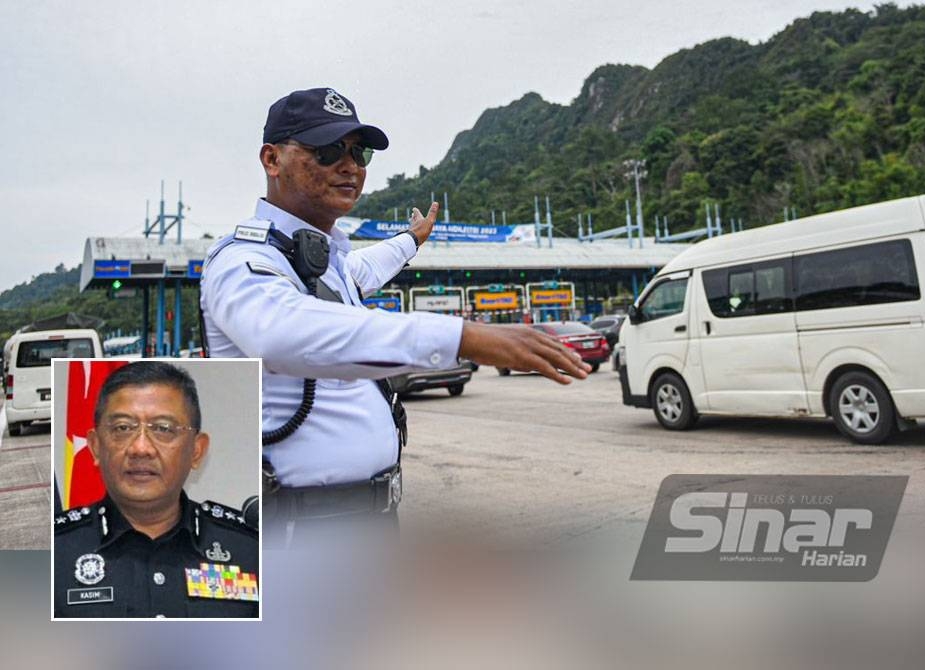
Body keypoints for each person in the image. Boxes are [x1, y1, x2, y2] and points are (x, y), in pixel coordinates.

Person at [199, 86, 588, 546]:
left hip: (363, 522)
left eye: (359, 153)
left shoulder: (326, 263)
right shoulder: (242, 260)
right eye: (326, 151)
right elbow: (281, 334)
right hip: (294, 532)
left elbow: (367, 267)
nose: (350, 167)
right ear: (272, 159)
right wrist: (465, 336)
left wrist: (412, 239)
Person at [53, 362, 259, 618]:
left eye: (163, 429)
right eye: (122, 428)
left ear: (196, 451)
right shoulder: (52, 549)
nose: (141, 448)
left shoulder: (250, 546)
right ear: (95, 447)